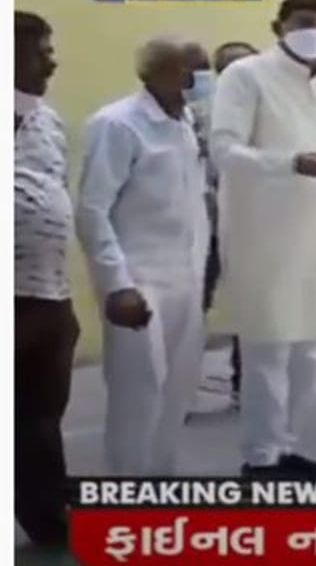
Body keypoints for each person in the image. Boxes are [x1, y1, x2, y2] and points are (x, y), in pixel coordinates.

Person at [210, 0, 316, 478]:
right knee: (268, 345)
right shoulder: (246, 75)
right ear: (278, 27)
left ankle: (286, 446)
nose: (314, 31)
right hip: (264, 231)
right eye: (303, 22)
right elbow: (224, 149)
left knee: (309, 347)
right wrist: (290, 164)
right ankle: (260, 459)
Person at [76, 37, 211, 475]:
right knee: (138, 390)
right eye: (194, 69)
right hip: (138, 277)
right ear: (161, 73)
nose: (204, 79)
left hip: (186, 275)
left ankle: (162, 479)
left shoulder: (188, 121)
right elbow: (93, 209)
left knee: (177, 388)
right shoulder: (118, 124)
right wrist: (118, 284)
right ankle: (127, 486)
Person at [14, 11, 78, 548]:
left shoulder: (48, 120)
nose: (52, 62)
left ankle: (48, 518)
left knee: (41, 415)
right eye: (41, 52)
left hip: (49, 293)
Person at [208, 41, 258, 409]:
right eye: (227, 67)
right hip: (205, 226)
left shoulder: (268, 111)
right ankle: (173, 387)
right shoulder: (202, 112)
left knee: (253, 306)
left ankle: (247, 383)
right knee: (190, 308)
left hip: (255, 224)